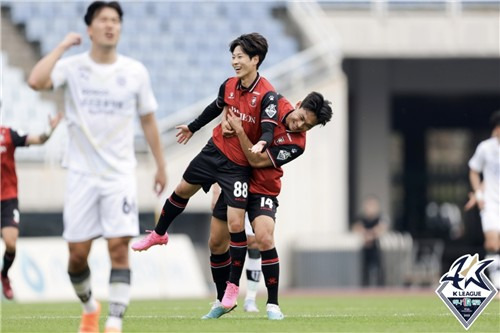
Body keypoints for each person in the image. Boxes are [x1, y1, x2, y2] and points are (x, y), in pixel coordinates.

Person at [27, 2, 167, 332]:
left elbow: (148, 119)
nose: (110, 25)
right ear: (90, 29)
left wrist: (161, 165)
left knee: (119, 248)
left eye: (115, 20)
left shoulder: (135, 72)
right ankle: (90, 307)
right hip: (80, 175)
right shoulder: (72, 67)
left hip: (119, 175)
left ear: (120, 28)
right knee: (77, 255)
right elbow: (35, 81)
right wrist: (62, 46)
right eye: (103, 20)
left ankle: (114, 321)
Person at [131, 32, 279, 313]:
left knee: (235, 225)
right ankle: (160, 233)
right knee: (181, 191)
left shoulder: (267, 95)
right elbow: (216, 106)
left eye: (240, 57)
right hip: (214, 151)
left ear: (255, 59)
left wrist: (262, 142)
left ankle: (232, 290)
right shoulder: (229, 85)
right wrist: (193, 127)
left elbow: (270, 129)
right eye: (233, 56)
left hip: (238, 167)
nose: (234, 62)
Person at [204, 92, 333, 320]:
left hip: (263, 189)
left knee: (263, 237)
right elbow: (235, 109)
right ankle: (221, 299)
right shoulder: (272, 102)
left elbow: (256, 160)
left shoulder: (297, 144)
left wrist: (241, 131)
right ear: (298, 104)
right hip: (233, 180)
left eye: (308, 126)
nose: (300, 125)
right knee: (216, 242)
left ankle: (272, 304)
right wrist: (217, 181)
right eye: (301, 117)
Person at [1, 114, 62, 300]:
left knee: (11, 243)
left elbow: (38, 140)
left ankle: (4, 275)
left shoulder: (8, 134)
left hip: (8, 199)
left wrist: (49, 130)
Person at [466, 110, 500, 292]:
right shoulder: (486, 148)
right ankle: (497, 285)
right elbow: (475, 170)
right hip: (491, 204)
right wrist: (478, 195)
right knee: (493, 243)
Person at [352, 195, 388, 287]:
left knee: (379, 269)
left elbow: (381, 228)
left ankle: (381, 289)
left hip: (376, 247)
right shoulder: (361, 218)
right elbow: (357, 228)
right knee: (364, 271)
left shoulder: (380, 218)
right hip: (365, 248)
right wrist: (366, 234)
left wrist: (370, 235)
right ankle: (364, 289)